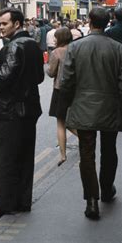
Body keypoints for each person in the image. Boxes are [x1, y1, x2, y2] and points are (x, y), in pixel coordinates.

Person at [59, 8, 122, 220]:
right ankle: (106, 189)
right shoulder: (118, 48)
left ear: (89, 21)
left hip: (83, 105)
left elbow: (66, 80)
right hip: (110, 106)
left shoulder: (76, 47)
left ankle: (92, 200)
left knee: (86, 153)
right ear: (108, 23)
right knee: (109, 150)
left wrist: (67, 105)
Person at [0, 8, 44, 223]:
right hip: (31, 108)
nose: (0, 27)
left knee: (7, 159)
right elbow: (39, 77)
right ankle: (22, 201)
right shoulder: (33, 45)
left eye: (4, 23)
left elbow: (6, 76)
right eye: (0, 23)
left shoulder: (13, 46)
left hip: (11, 109)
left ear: (17, 24)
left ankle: (4, 206)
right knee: (26, 156)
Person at [47, 27, 74, 166]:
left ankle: (63, 155)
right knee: (73, 119)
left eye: (56, 37)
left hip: (60, 89)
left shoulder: (56, 52)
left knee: (61, 122)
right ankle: (86, 140)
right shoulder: (76, 49)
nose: (54, 39)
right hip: (75, 89)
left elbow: (51, 72)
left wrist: (48, 67)